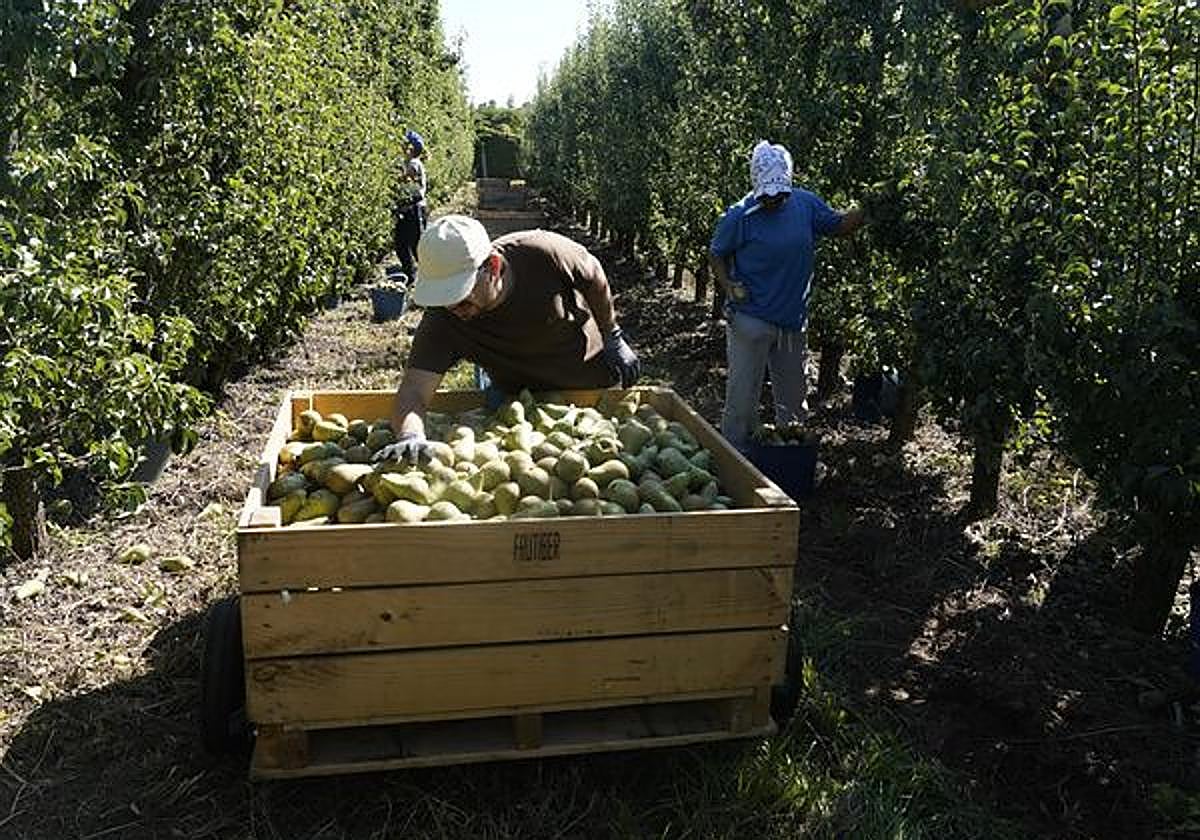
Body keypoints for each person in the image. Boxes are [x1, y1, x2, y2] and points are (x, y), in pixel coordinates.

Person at [375, 215, 641, 463]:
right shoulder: (444, 318)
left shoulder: (543, 254)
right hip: (521, 410)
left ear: (493, 266)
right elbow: (413, 391)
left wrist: (612, 333)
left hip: (587, 388)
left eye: (462, 294)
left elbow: (593, 274)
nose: (454, 308)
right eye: (445, 298)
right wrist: (411, 436)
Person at [708, 140, 865, 451]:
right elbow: (716, 253)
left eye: (780, 192)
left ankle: (786, 463)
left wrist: (871, 206)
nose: (774, 199)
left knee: (793, 402)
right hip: (750, 318)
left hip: (793, 321)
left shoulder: (805, 205)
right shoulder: (740, 215)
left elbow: (838, 225)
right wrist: (727, 285)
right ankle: (735, 459)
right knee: (742, 398)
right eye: (768, 194)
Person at [392, 129, 428, 280]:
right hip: (408, 209)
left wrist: (391, 179)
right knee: (403, 244)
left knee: (413, 245)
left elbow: (408, 176)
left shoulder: (413, 163)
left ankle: (427, 274)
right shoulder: (411, 162)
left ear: (411, 148)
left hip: (413, 209)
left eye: (404, 145)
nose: (401, 147)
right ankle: (411, 275)